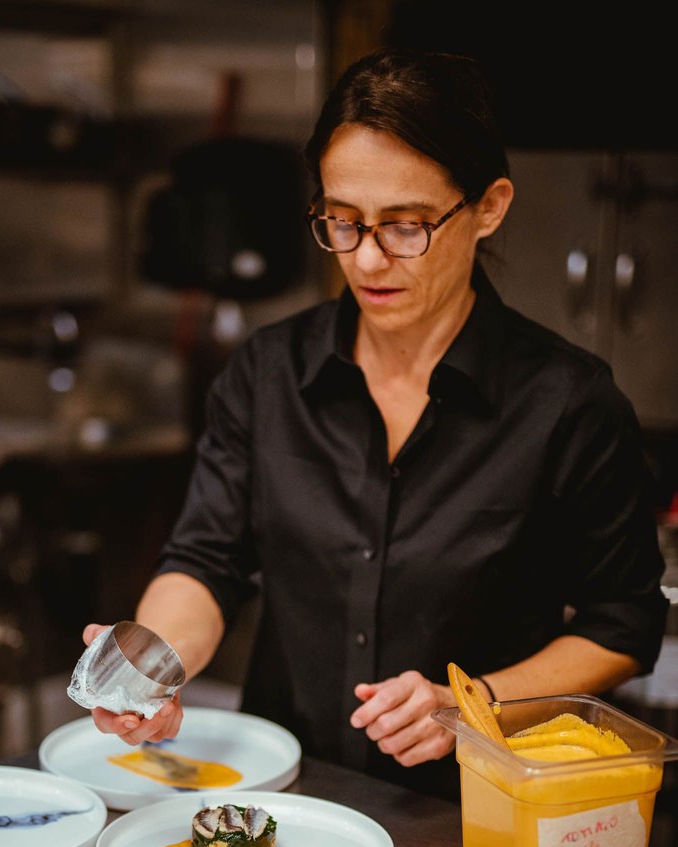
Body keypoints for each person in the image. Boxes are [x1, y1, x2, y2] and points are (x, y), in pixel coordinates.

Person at [84, 48, 667, 799]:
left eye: (405, 226)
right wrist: (153, 662)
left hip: (472, 810)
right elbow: (204, 560)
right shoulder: (267, 374)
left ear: (487, 207)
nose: (366, 259)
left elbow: (621, 624)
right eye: (342, 221)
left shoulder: (567, 401)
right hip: (283, 794)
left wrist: (470, 705)